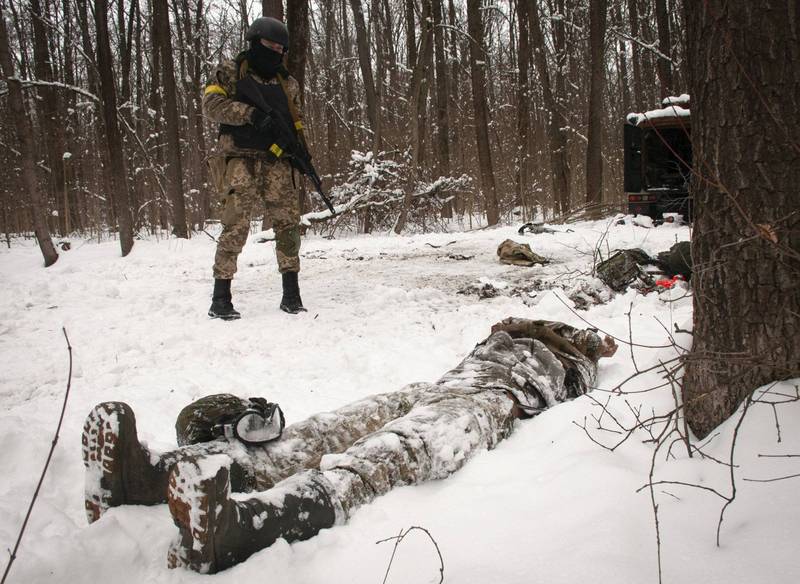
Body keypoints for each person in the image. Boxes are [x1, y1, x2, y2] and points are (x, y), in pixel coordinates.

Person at [81, 318, 617, 573]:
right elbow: (505, 325)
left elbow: (602, 344)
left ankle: (252, 525)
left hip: (497, 398)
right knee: (325, 430)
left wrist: (574, 340)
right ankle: (150, 476)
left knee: (397, 449)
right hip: (441, 385)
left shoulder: (577, 358)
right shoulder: (517, 330)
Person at [203, 17, 309, 320]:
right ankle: (220, 297)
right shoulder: (229, 72)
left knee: (288, 224)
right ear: (255, 42)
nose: (275, 52)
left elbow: (296, 120)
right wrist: (249, 114)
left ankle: (292, 294)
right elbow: (211, 106)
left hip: (276, 160)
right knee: (235, 225)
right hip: (239, 159)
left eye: (280, 48)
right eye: (270, 46)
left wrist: (300, 150)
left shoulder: (287, 83)